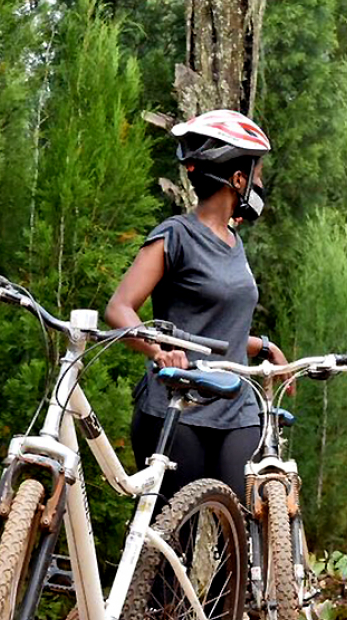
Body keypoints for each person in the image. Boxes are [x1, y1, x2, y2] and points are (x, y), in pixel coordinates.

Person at [106, 109, 287, 505]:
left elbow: (214, 316)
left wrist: (258, 345)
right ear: (237, 180)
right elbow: (120, 308)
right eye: (256, 175)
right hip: (177, 404)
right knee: (173, 539)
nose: (259, 184)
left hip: (236, 406)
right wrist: (158, 350)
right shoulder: (175, 235)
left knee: (240, 527)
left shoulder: (235, 243)